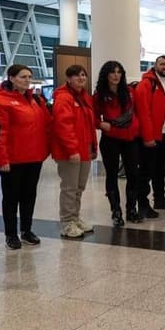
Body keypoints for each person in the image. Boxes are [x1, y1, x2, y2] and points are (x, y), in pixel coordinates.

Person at [0, 64, 51, 250]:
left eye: (29, 76)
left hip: (33, 157)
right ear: (12, 78)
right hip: (13, 160)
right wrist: (2, 159)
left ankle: (26, 229)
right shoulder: (0, 102)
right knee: (11, 197)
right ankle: (10, 233)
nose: (27, 80)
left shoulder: (33, 101)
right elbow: (0, 133)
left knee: (29, 195)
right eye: (23, 76)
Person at [94, 60, 142, 226]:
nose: (116, 75)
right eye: (112, 72)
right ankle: (116, 211)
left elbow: (138, 112)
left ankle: (131, 209)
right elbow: (91, 116)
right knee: (112, 175)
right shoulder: (99, 95)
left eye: (119, 72)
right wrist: (100, 124)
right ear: (106, 75)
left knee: (133, 175)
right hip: (111, 139)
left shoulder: (129, 92)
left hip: (130, 139)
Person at [52, 64, 96, 239]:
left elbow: (89, 125)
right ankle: (67, 222)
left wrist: (92, 147)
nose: (81, 78)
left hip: (84, 149)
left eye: (84, 75)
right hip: (69, 151)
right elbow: (63, 125)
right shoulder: (64, 98)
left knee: (79, 187)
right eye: (77, 76)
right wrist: (72, 150)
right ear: (68, 78)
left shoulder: (84, 97)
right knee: (70, 187)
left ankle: (75, 218)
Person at [135, 55, 165, 214]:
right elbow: (143, 112)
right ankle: (143, 204)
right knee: (146, 172)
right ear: (155, 65)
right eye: (162, 64)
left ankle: (159, 199)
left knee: (160, 170)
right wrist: (148, 136)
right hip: (151, 136)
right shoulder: (147, 84)